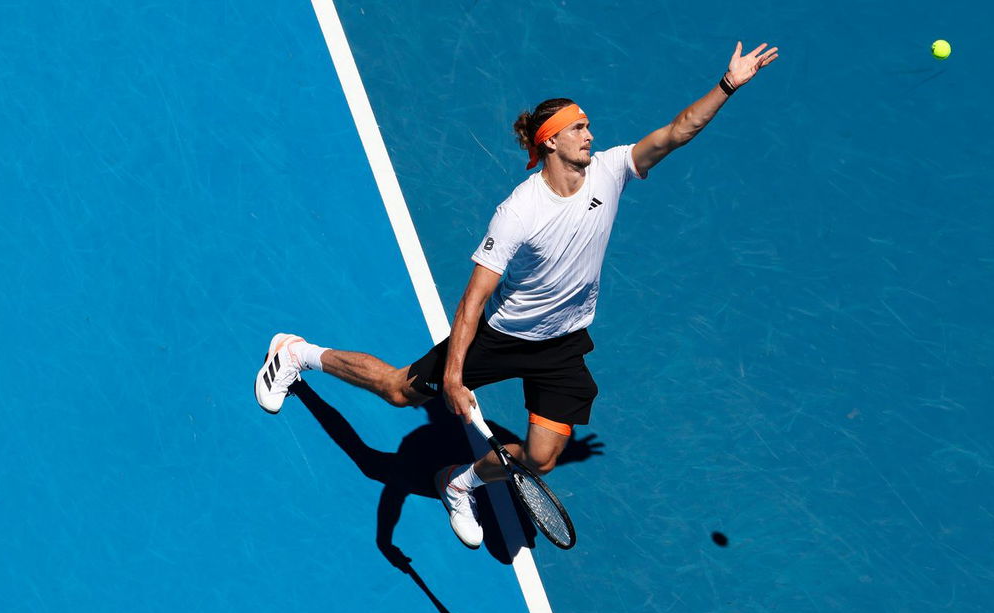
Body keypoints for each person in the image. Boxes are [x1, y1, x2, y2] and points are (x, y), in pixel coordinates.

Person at [257, 42, 780, 548]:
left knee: (543, 456)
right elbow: (471, 302)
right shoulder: (519, 212)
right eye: (579, 127)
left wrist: (728, 85)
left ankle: (460, 482)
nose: (590, 135)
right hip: (503, 336)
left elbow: (676, 132)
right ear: (550, 141)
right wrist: (457, 379)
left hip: (563, 342)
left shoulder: (612, 170)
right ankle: (296, 354)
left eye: (588, 125)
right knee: (400, 392)